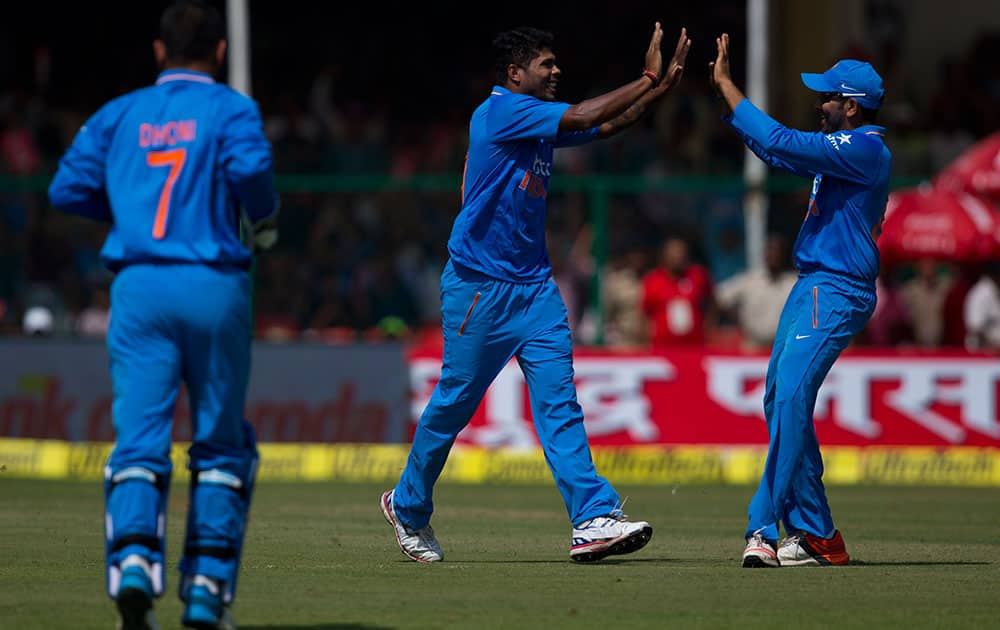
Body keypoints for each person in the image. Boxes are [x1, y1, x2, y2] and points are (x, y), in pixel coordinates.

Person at [381, 23, 690, 563]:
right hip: (479, 290)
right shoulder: (502, 111)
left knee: (560, 405)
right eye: (546, 64)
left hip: (535, 291)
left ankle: (593, 518)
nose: (556, 71)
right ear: (514, 74)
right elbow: (588, 114)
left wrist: (655, 93)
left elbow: (605, 126)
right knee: (453, 405)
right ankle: (407, 506)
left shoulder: (533, 120)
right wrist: (645, 77)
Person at [47, 1, 278, 628]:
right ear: (221, 53)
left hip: (139, 286)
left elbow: (65, 188)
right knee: (221, 444)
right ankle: (204, 590)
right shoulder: (231, 109)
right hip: (212, 283)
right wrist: (259, 219)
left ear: (158, 51)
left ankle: (132, 567)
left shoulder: (120, 113)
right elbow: (254, 173)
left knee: (139, 443)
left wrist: (129, 205)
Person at [710, 35, 891, 567]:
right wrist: (730, 106)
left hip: (836, 289)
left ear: (851, 106)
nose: (820, 104)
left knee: (788, 397)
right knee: (780, 400)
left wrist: (726, 85)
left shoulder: (865, 148)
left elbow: (782, 141)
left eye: (827, 98)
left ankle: (761, 529)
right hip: (812, 285)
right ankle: (818, 536)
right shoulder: (842, 153)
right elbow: (772, 149)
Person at [715, 233, 798, 351]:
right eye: (770, 250)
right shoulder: (750, 279)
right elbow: (719, 297)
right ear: (765, 254)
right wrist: (736, 317)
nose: (774, 255)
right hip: (751, 346)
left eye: (778, 251)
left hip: (782, 348)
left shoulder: (793, 283)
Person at [641, 235, 716, 347]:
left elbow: (712, 300)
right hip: (662, 345)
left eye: (681, 252)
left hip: (694, 344)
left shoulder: (697, 275)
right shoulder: (653, 280)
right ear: (664, 256)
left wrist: (709, 325)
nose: (678, 256)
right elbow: (644, 312)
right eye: (674, 253)